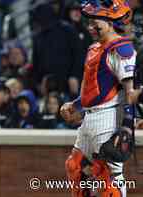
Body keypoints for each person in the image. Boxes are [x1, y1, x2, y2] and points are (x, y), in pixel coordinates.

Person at [60, 1, 136, 196]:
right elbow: (93, 88)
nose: (91, 28)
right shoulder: (94, 47)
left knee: (109, 177)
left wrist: (127, 126)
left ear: (110, 22)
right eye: (90, 23)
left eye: (96, 23)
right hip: (89, 118)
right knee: (75, 166)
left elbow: (131, 91)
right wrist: (76, 105)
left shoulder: (122, 49)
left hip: (109, 118)